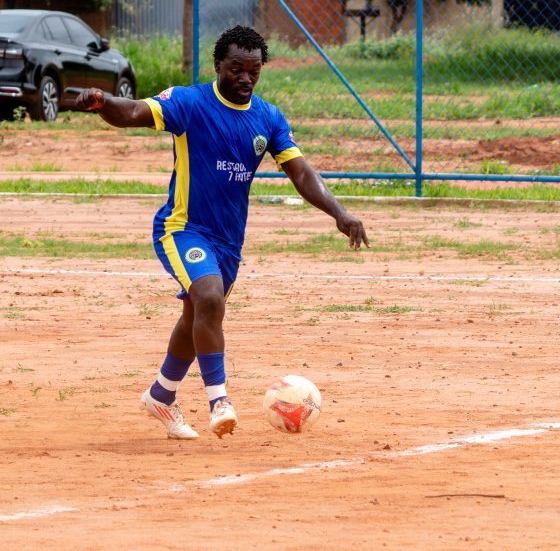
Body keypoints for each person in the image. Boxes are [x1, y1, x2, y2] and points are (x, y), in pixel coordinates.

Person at [75, 26, 369, 440]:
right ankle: (219, 401)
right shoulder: (189, 102)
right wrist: (103, 102)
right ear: (218, 66)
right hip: (182, 228)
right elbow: (134, 112)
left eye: (254, 71)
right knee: (209, 296)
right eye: (236, 69)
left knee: (199, 314)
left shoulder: (268, 118)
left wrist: (339, 213)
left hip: (229, 241)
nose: (245, 78)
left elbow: (300, 172)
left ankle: (161, 395)